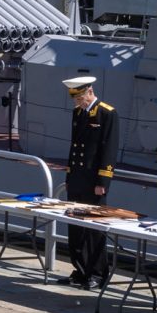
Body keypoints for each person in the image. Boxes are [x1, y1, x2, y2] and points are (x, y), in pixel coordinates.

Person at [63, 75, 117, 288]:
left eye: (80, 98)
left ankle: (97, 273)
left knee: (94, 228)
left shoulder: (106, 113)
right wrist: (69, 175)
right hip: (77, 178)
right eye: (75, 99)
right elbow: (74, 147)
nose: (78, 103)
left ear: (90, 92)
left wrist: (103, 179)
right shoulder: (78, 113)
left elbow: (109, 149)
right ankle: (80, 269)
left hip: (94, 180)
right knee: (76, 226)